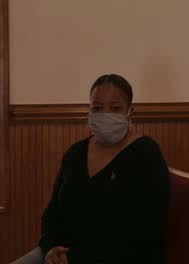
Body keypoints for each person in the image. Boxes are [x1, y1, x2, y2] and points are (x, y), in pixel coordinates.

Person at [12, 74, 170, 264]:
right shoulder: (76, 153)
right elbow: (52, 212)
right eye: (97, 108)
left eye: (114, 108)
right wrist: (49, 248)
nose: (105, 114)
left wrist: (75, 258)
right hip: (59, 255)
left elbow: (144, 230)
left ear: (130, 112)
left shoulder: (146, 154)